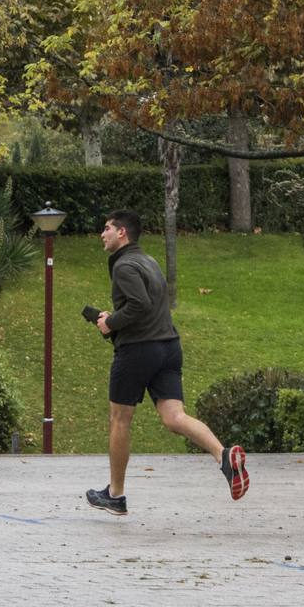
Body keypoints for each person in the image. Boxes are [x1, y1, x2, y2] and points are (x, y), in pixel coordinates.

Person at [84, 209, 249, 516]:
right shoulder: (150, 261)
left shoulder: (124, 265)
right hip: (169, 347)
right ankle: (223, 455)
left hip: (138, 351)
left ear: (122, 232)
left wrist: (110, 323)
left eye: (106, 228)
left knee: (120, 420)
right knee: (174, 417)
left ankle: (115, 495)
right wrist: (114, 319)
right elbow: (146, 306)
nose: (102, 234)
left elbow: (139, 305)